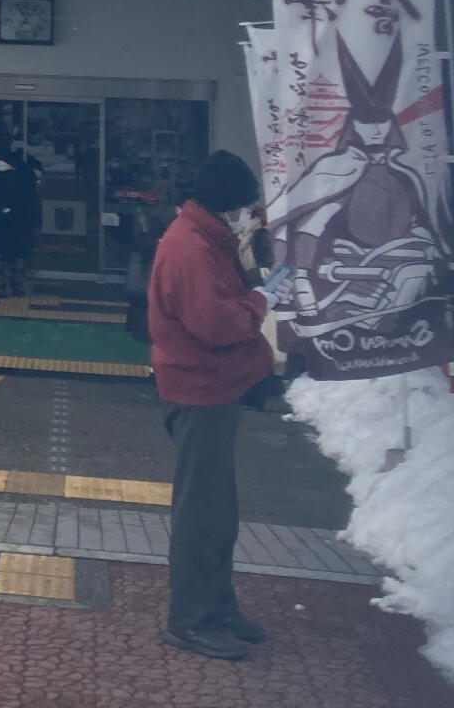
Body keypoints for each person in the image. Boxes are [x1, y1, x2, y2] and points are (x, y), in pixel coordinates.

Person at [146, 149, 292, 661]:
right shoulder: (191, 247)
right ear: (228, 203)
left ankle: (216, 606)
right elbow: (216, 324)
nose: (249, 214)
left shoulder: (208, 237)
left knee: (219, 510)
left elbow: (222, 301)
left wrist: (256, 286)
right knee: (202, 512)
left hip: (216, 387)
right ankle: (191, 619)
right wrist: (265, 300)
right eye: (247, 206)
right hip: (200, 389)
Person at [0, 147, 39, 296]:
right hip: (17, 227)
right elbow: (29, 204)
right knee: (17, 258)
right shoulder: (21, 180)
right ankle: (18, 287)